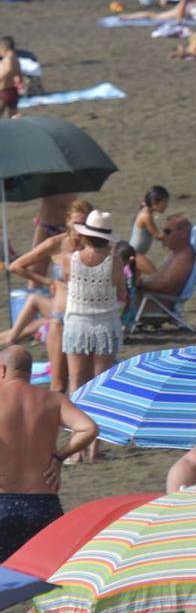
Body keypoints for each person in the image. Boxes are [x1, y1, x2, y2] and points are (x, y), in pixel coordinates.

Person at [0, 346, 98, 561]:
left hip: (3, 503)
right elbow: (89, 428)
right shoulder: (52, 399)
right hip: (43, 504)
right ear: (29, 372)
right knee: (44, 579)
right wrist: (59, 457)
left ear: (2, 370)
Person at [3, 199, 92, 393]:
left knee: (84, 383)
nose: (79, 228)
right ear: (67, 221)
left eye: (84, 223)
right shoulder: (56, 243)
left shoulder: (93, 247)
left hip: (86, 320)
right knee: (58, 385)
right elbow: (16, 265)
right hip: (59, 319)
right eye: (76, 223)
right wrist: (48, 282)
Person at [62, 211, 126, 462]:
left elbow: (68, 283)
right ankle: (94, 449)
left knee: (76, 385)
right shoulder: (115, 261)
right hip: (105, 324)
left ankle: (75, 450)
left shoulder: (70, 259)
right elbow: (121, 294)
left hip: (77, 323)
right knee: (100, 387)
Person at [134, 214, 195, 300]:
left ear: (183, 234)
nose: (163, 235)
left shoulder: (185, 257)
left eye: (167, 232)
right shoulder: (177, 254)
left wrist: (140, 282)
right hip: (149, 299)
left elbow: (166, 284)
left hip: (155, 304)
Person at [129, 185, 170, 257]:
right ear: (154, 202)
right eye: (164, 202)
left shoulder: (146, 212)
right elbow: (157, 236)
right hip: (135, 255)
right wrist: (173, 233)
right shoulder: (146, 216)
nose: (166, 205)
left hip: (136, 253)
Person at [0, 36, 18, 118]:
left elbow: (7, 70)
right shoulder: (16, 59)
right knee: (13, 114)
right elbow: (19, 73)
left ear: (4, 49)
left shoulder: (7, 60)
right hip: (13, 90)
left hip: (3, 92)